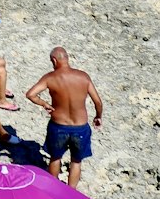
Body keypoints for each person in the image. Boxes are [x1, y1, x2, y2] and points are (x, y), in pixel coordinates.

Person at [25, 48, 103, 189]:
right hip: (80, 127)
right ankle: (71, 192)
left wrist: (44, 104)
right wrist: (98, 116)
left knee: (55, 158)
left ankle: (53, 188)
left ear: (54, 60)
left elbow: (30, 94)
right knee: (76, 161)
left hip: (59, 126)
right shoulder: (83, 76)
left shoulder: (50, 78)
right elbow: (98, 101)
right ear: (67, 58)